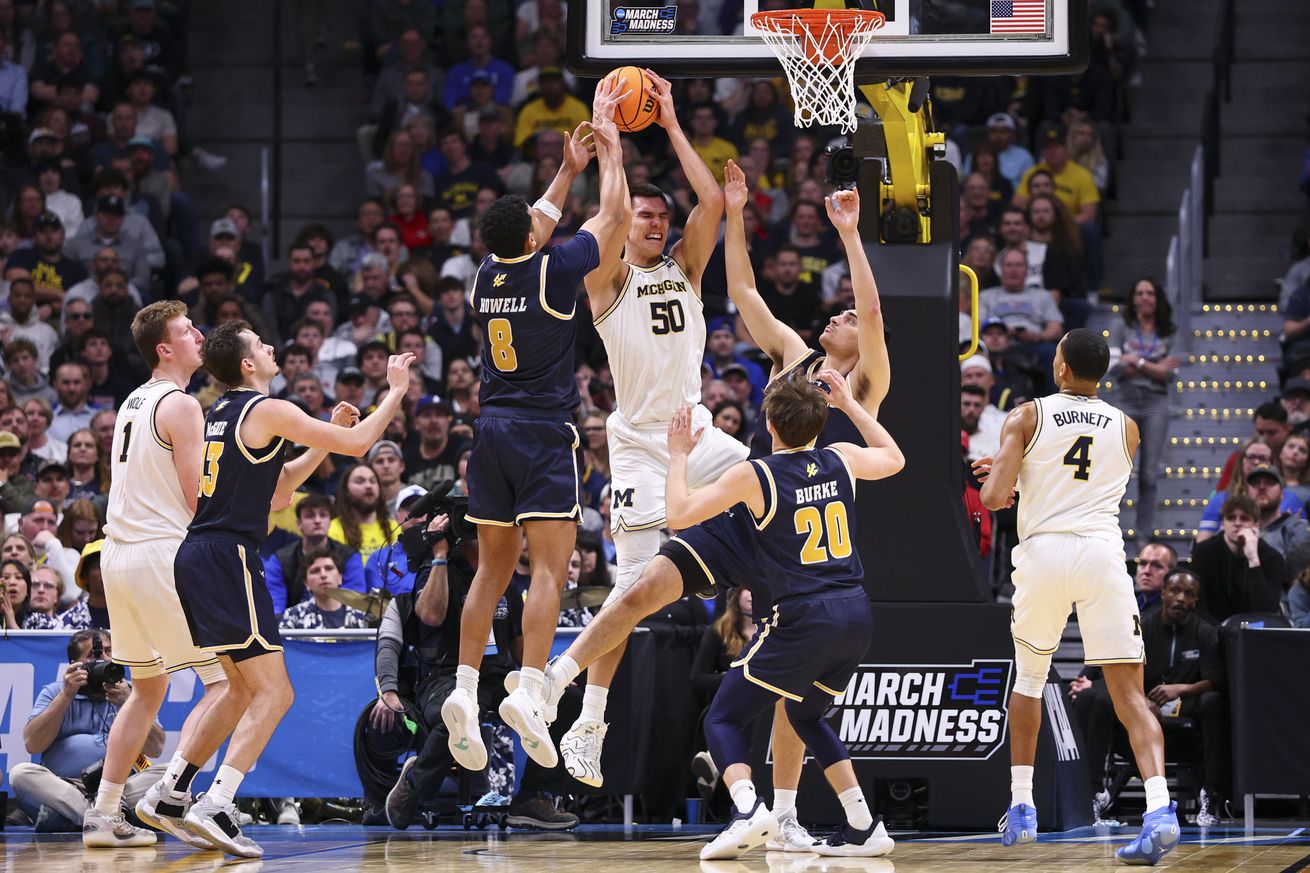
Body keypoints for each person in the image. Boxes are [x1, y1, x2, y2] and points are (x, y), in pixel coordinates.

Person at [535, 172, 888, 848]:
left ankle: (781, 810)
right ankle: (569, 694)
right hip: (751, 509)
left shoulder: (865, 380)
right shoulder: (796, 356)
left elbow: (871, 317)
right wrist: (736, 214)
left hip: (809, 537)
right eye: (835, 314)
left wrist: (849, 236)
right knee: (651, 585)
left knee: (790, 693)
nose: (837, 317)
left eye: (844, 318)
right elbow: (745, 290)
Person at [547, 71, 753, 786]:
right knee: (632, 586)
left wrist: (667, 123)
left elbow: (711, 200)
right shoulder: (606, 280)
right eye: (644, 216)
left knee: (770, 480)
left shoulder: (687, 268)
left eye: (661, 217)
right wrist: (611, 149)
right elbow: (606, 216)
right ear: (624, 226)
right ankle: (588, 721)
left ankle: (772, 619)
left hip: (696, 431)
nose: (657, 222)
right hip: (636, 442)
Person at [163, 321, 415, 858]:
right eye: (261, 343)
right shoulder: (266, 409)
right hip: (228, 555)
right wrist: (393, 390)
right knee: (275, 692)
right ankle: (218, 801)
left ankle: (171, 793)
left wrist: (319, 435)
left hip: (200, 555)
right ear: (248, 364)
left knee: (237, 689)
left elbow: (277, 492)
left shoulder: (223, 413)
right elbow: (360, 442)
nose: (272, 346)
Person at [438, 79, 627, 775]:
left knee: (490, 570)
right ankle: (533, 685)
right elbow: (613, 216)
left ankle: (463, 686)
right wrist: (608, 149)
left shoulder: (486, 273)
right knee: (552, 565)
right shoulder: (557, 272)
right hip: (544, 432)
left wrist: (564, 170)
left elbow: (537, 219)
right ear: (534, 238)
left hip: (487, 433)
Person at [667, 368, 903, 860]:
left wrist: (677, 456)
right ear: (820, 423)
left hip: (804, 615)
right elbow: (895, 459)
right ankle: (863, 824)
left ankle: (748, 807)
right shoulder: (840, 459)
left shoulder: (757, 474)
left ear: (769, 423)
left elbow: (679, 516)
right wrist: (849, 406)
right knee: (805, 712)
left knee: (724, 718)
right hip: (855, 612)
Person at [976, 328, 1180, 864]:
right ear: (1102, 374)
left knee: (1028, 679)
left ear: (1060, 368)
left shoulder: (1024, 415)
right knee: (1131, 698)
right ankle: (1159, 810)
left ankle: (1022, 809)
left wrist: (1009, 474)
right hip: (1101, 554)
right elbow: (1089, 483)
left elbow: (995, 498)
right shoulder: (1129, 427)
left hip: (1044, 554)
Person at [81, 301, 232, 848]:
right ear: (164, 348)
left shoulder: (132, 400)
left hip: (117, 554)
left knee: (147, 689)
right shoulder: (182, 404)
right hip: (160, 554)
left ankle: (102, 814)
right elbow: (197, 498)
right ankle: (169, 795)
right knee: (226, 682)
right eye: (187, 331)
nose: (199, 335)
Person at [379, 513, 581, 831]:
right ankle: (414, 787)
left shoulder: (505, 579)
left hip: (496, 676)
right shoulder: (437, 571)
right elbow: (429, 616)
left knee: (566, 701)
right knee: (457, 715)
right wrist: (440, 556)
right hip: (444, 676)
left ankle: (531, 799)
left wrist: (545, 677)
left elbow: (518, 644)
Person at [1069, 569, 1229, 825]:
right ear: (1163, 593)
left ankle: (1211, 796)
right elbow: (1116, 672)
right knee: (1098, 697)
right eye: (1175, 590)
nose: (1180, 598)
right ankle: (1093, 792)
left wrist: (1180, 689)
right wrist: (1141, 702)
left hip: (1186, 725)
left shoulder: (1206, 633)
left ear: (1195, 601)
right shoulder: (1143, 626)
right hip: (1139, 716)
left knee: (1214, 701)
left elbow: (1216, 680)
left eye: (1188, 594)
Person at [11, 631, 166, 831]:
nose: (104, 659)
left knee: (169, 773)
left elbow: (156, 748)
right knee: (20, 773)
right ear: (75, 664)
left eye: (109, 652)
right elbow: (32, 744)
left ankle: (82, 817)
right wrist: (66, 696)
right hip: (65, 787)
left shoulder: (131, 694)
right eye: (94, 655)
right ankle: (108, 816)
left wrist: (129, 704)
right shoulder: (55, 691)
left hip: (118, 787)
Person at [1108, 278, 1180, 545]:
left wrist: (1136, 361)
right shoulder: (1121, 326)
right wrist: (1155, 367)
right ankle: (1110, 529)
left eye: (1150, 292)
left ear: (1157, 298)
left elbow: (1171, 374)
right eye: (1140, 292)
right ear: (1133, 298)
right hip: (1125, 400)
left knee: (1149, 473)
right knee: (1119, 470)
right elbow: (1113, 368)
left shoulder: (1168, 330)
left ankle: (1142, 533)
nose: (1145, 297)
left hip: (1155, 404)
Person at [1189, 494, 1292, 623]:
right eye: (1231, 518)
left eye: (1244, 518)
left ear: (1255, 525)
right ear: (1223, 524)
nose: (1237, 523)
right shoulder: (1203, 552)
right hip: (1211, 632)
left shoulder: (1272, 558)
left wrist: (1253, 559)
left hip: (1255, 634)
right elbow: (1198, 606)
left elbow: (1266, 611)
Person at [263, 492, 367, 615]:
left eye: (323, 515)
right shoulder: (279, 560)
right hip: (294, 628)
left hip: (342, 627)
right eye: (310, 516)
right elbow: (275, 609)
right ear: (299, 523)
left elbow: (354, 603)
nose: (317, 520)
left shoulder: (350, 556)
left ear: (330, 521)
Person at [278, 549, 371, 628]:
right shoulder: (292, 616)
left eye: (329, 568)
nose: (323, 575)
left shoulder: (362, 615)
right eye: (315, 571)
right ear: (306, 583)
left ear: (340, 577)